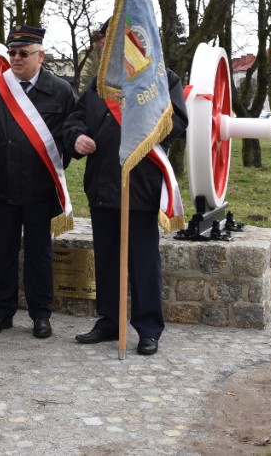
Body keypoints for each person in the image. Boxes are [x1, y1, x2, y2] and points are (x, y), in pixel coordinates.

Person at [62, 23, 188, 356]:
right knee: (106, 260)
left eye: (105, 40)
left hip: (141, 186)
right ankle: (108, 321)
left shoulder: (161, 77)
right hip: (103, 185)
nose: (101, 45)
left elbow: (178, 121)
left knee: (143, 263)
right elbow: (76, 119)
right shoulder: (100, 83)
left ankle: (148, 329)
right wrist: (76, 137)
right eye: (101, 41)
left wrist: (144, 121)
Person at [0, 24, 77, 339]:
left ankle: (40, 314)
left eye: (23, 53)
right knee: (3, 252)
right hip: (3, 185)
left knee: (39, 252)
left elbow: (65, 140)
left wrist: (50, 172)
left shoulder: (60, 90)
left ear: (40, 55)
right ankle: (3, 311)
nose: (16, 58)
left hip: (40, 188)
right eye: (12, 53)